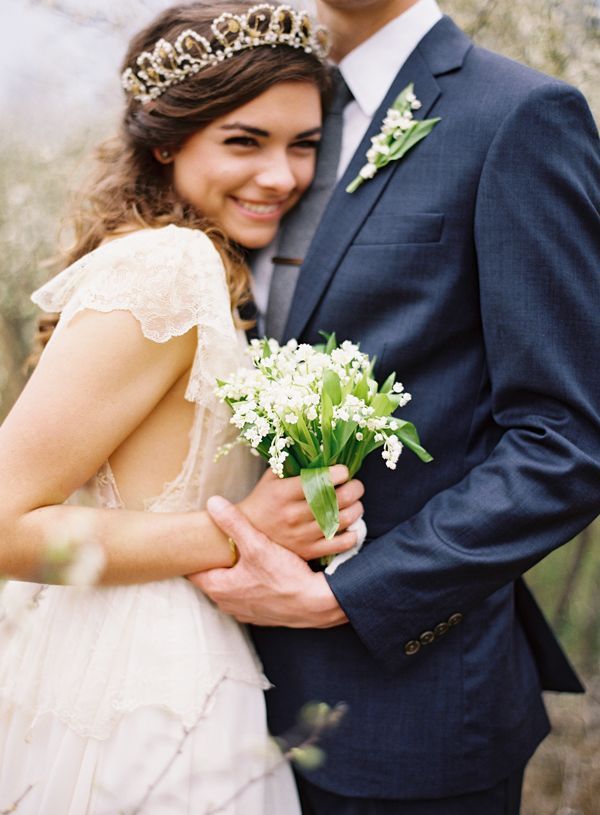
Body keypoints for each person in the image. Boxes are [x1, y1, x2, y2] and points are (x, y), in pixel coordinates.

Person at [191, 0, 600, 812]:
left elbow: (568, 439)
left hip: (412, 718)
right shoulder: (259, 112)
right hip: (218, 697)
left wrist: (349, 593)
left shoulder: (518, 115)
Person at [0, 3, 367, 812]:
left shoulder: (204, 263)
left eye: (303, 144)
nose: (281, 176)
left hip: (169, 648)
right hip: (135, 679)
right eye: (245, 141)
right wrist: (241, 531)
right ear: (166, 141)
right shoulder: (170, 264)